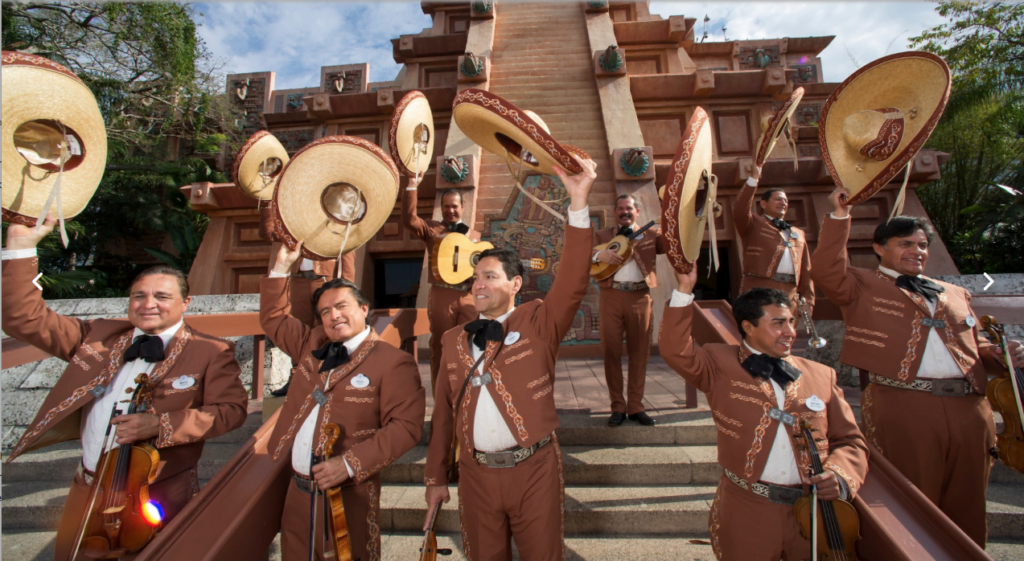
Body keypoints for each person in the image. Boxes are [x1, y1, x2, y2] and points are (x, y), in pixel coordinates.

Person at [1, 215, 249, 560]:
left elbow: (232, 411)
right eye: (139, 296)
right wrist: (20, 245)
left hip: (158, 491)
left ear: (186, 303)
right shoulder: (98, 336)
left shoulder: (211, 350)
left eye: (162, 296)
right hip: (88, 485)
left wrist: (161, 425)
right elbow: (21, 318)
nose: (148, 304)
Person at [811, 187, 1024, 547]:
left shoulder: (953, 293)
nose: (918, 251)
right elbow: (825, 269)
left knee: (969, 503)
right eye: (906, 244)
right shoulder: (861, 284)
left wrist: (1002, 355)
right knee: (913, 502)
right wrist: (839, 215)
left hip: (971, 408)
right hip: (905, 403)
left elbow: (976, 345)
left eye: (922, 245)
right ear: (880, 248)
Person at [421, 155, 597, 561]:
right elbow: (444, 414)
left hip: (534, 470)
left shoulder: (538, 320)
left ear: (516, 283)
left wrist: (577, 203)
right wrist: (435, 477)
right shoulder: (452, 340)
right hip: (475, 475)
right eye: (476, 277)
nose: (478, 284)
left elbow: (572, 280)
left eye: (490, 276)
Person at [661, 267, 868, 560]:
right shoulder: (719, 362)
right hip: (748, 506)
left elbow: (851, 441)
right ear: (748, 327)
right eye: (778, 323)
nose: (790, 332)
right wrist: (683, 289)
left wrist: (840, 475)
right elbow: (674, 349)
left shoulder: (822, 375)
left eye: (791, 322)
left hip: (813, 513)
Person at [261, 241, 426, 561]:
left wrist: (349, 464)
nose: (333, 315)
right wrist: (282, 265)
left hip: (348, 492)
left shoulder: (393, 362)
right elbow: (274, 319)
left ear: (364, 310)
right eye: (325, 311)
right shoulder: (310, 344)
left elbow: (406, 428)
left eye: (342, 306)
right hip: (296, 493)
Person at [259, 206, 357, 397]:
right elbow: (267, 233)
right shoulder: (291, 219)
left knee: (330, 331)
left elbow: (348, 251)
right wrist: (266, 203)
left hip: (326, 281)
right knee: (297, 331)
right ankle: (296, 377)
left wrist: (347, 289)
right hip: (298, 280)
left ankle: (332, 376)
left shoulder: (335, 219)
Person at [591, 193, 665, 426]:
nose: (625, 211)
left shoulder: (652, 234)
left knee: (639, 351)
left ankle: (636, 406)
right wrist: (598, 254)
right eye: (621, 208)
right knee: (611, 351)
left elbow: (676, 244)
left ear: (637, 212)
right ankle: (617, 407)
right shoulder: (602, 235)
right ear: (615, 212)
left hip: (640, 296)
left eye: (629, 208)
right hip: (610, 296)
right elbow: (583, 254)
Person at [401, 174, 480, 391]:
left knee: (472, 345)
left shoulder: (475, 236)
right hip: (442, 295)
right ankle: (440, 397)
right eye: (446, 207)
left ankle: (468, 392)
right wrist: (411, 186)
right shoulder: (432, 229)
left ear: (463, 207)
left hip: (468, 296)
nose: (450, 211)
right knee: (440, 345)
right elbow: (408, 220)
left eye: (454, 206)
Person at [732, 165, 814, 311]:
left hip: (790, 293)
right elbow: (740, 209)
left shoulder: (798, 233)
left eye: (786, 201)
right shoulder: (753, 224)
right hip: (759, 290)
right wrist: (754, 179)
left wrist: (808, 299)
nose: (783, 203)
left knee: (786, 332)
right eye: (778, 199)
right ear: (763, 204)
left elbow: (806, 270)